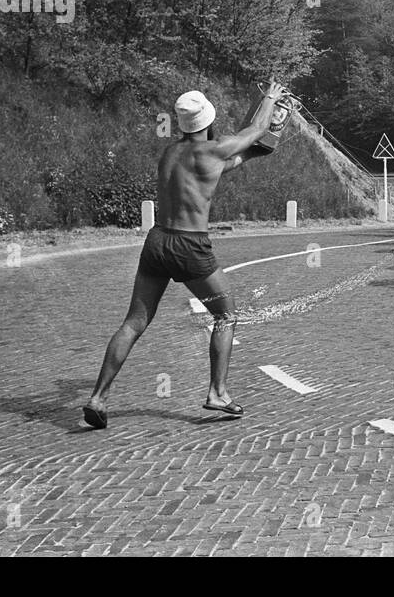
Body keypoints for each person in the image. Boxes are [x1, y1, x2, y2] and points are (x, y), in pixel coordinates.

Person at [82, 83, 288, 429]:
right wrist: (270, 99)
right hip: (190, 245)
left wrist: (260, 147)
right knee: (226, 316)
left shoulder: (170, 153)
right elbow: (252, 132)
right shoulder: (212, 150)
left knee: (134, 322)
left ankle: (97, 397)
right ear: (208, 119)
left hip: (157, 241)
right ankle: (217, 393)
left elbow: (228, 161)